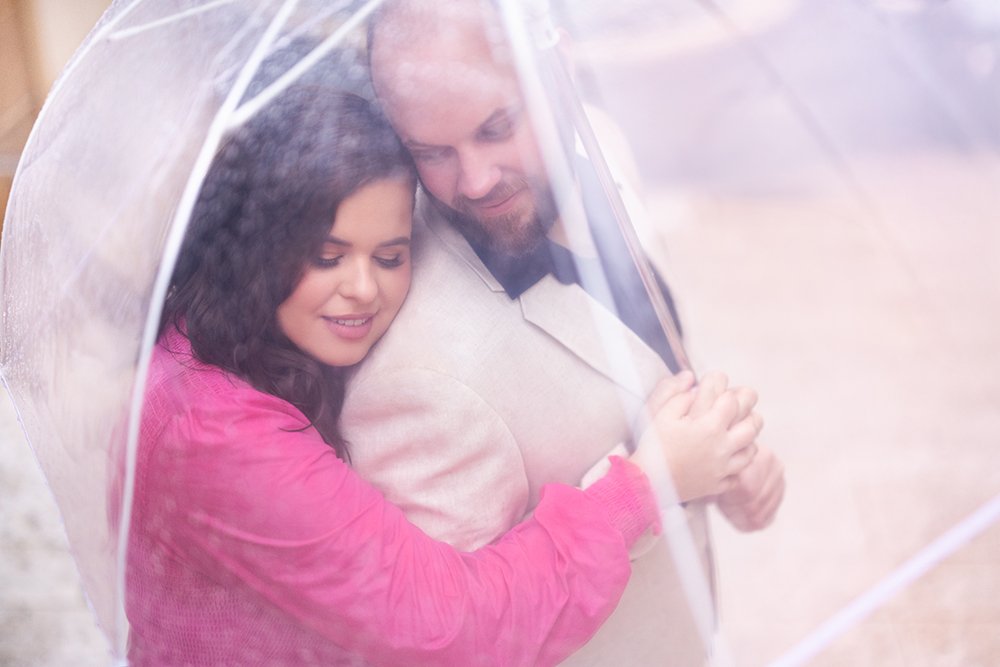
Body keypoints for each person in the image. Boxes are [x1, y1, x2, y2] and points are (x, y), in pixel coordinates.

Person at [125, 86, 762, 666]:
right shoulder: (217, 433)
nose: (363, 288)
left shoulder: (236, 341)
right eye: (326, 256)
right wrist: (643, 486)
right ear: (257, 245)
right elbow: (449, 630)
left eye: (390, 256)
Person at [343, 1, 786, 665]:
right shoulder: (413, 378)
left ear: (558, 69)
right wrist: (649, 485)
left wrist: (718, 461)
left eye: (497, 127)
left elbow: (645, 353)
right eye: (431, 152)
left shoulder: (602, 144)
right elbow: (455, 638)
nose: (476, 180)